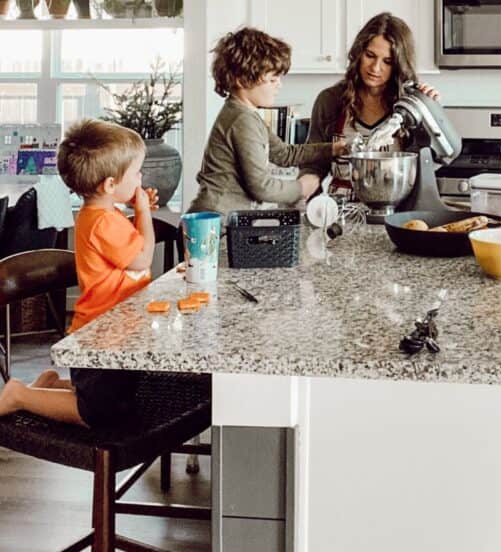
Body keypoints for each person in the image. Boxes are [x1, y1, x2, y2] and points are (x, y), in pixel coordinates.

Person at [0, 119, 157, 426]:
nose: (140, 178)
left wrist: (136, 212)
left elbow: (130, 247)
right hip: (102, 335)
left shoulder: (102, 213)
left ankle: (49, 385)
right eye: (136, 172)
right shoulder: (104, 222)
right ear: (110, 185)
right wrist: (144, 212)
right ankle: (19, 394)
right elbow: (142, 258)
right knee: (95, 414)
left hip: (111, 329)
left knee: (114, 399)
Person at [187, 27, 342, 216]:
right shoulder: (242, 120)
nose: (279, 85)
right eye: (272, 80)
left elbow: (284, 154)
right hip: (212, 225)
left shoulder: (247, 115)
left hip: (219, 221)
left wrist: (333, 149)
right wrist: (301, 187)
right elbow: (261, 187)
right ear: (242, 81)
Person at [300, 12, 438, 195]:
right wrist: (298, 191)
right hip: (341, 215)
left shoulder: (409, 107)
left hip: (395, 213)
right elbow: (313, 165)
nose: (375, 68)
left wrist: (432, 113)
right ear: (358, 54)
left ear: (399, 66)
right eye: (370, 55)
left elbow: (429, 165)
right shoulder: (330, 101)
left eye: (387, 62)